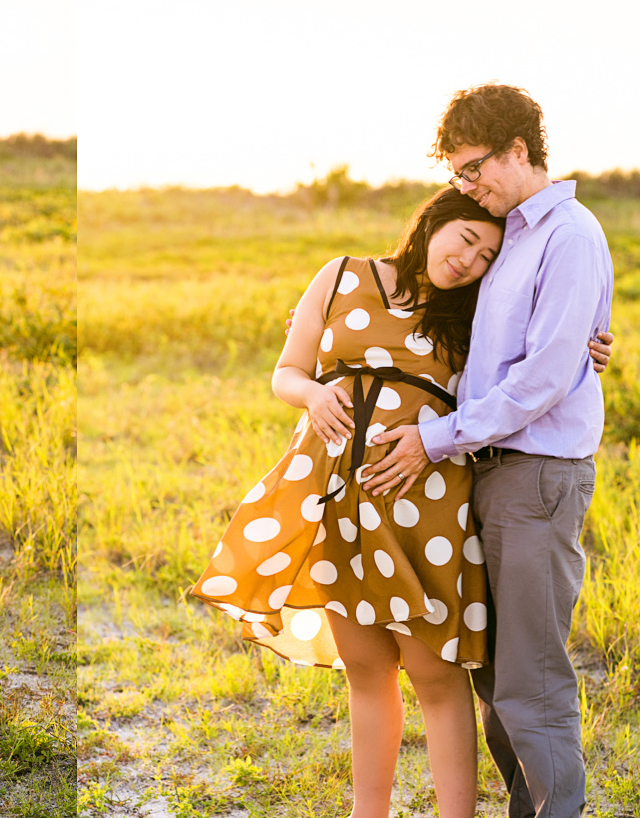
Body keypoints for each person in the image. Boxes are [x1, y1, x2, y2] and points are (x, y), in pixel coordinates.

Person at [195, 187, 507, 818]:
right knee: (367, 670)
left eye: (486, 257)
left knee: (437, 676)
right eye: (466, 240)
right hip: (335, 494)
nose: (469, 262)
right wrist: (311, 396)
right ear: (433, 222)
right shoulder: (341, 276)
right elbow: (286, 370)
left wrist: (588, 346)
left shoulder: (478, 311)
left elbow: (536, 359)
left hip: (426, 503)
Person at [366, 85, 613, 818]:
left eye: (473, 169)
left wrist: (432, 440)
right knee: (495, 671)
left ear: (516, 150)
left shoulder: (568, 233)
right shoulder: (511, 234)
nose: (466, 187)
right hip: (490, 473)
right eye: (456, 177)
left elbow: (540, 377)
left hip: (535, 475)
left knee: (529, 677)